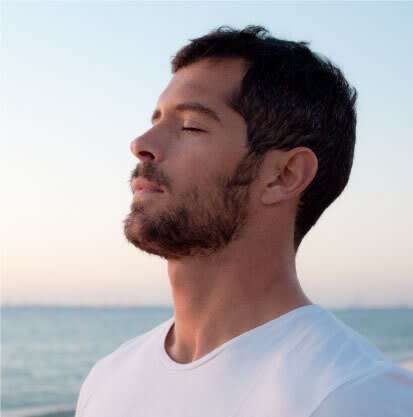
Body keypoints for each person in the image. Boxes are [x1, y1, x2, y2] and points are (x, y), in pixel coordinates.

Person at [75, 25, 413, 417]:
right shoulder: (109, 379)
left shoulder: (354, 396)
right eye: (156, 120)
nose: (141, 144)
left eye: (191, 126)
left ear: (283, 176)